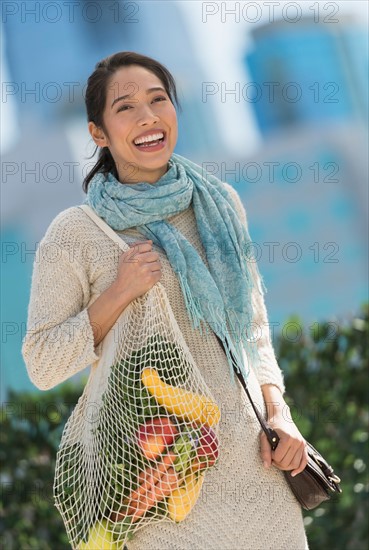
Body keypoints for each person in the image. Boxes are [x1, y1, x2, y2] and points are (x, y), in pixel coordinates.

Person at [22, 51, 310, 549]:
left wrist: (280, 413)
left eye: (158, 100)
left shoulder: (219, 203)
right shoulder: (76, 234)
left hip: (259, 470)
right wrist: (118, 293)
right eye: (126, 107)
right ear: (98, 133)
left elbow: (254, 330)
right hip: (167, 482)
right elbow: (42, 363)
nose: (148, 116)